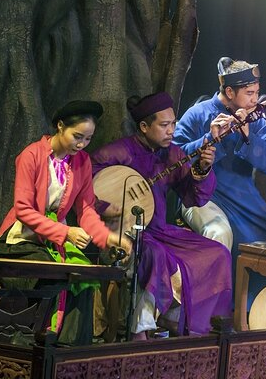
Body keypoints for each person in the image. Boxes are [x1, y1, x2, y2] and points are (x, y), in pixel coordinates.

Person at [91, 92, 232, 337]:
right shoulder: (115, 154)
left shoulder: (172, 155)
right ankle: (140, 328)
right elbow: (87, 192)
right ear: (144, 127)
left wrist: (203, 168)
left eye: (174, 124)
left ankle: (181, 320)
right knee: (155, 256)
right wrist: (110, 208)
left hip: (159, 230)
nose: (171, 131)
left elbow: (194, 198)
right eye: (164, 125)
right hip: (122, 232)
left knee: (216, 253)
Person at [0, 100, 132, 345]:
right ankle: (39, 344)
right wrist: (65, 232)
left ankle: (69, 350)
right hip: (21, 239)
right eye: (77, 136)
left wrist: (106, 237)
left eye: (88, 139)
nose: (82, 145)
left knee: (84, 275)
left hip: (52, 240)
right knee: (53, 273)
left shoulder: (82, 162)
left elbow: (86, 209)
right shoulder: (32, 155)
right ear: (60, 126)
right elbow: (23, 210)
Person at [173, 57, 266, 259]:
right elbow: (172, 157)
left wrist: (248, 136)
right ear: (230, 92)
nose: (255, 100)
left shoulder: (254, 119)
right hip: (201, 197)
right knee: (219, 233)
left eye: (256, 93)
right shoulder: (198, 114)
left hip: (243, 197)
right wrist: (209, 139)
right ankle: (214, 290)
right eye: (249, 93)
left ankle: (256, 292)